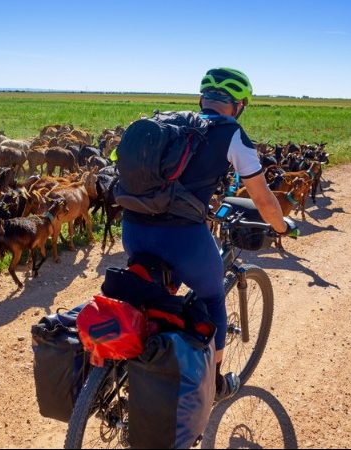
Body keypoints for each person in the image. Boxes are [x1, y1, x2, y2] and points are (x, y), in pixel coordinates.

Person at [121, 67, 295, 402]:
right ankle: (214, 385)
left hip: (134, 228)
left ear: (202, 98)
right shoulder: (232, 133)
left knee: (149, 290)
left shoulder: (168, 121)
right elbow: (262, 197)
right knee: (212, 297)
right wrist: (281, 226)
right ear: (239, 105)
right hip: (183, 239)